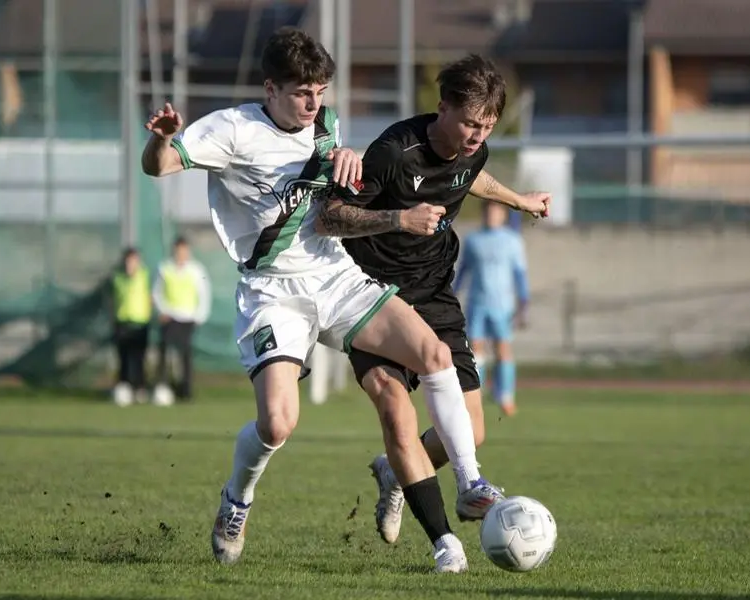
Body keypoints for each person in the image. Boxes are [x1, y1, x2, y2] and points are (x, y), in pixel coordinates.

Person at [140, 27, 498, 573]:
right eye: (303, 93)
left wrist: (344, 155)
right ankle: (237, 500)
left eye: (321, 92)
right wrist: (163, 137)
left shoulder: (324, 124)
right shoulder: (232, 128)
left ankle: (470, 483)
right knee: (279, 423)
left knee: (434, 355)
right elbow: (158, 167)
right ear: (270, 90)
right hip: (272, 291)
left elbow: (329, 177)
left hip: (333, 275)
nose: (314, 104)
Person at [316, 54, 550, 545]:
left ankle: (396, 472)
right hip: (375, 296)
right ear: (442, 108)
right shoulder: (394, 153)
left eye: (486, 126)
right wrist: (398, 219)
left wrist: (520, 201)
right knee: (395, 408)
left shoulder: (475, 149)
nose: (477, 136)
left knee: (472, 430)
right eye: (469, 123)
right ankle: (442, 535)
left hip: (435, 292)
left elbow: (471, 176)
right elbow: (332, 217)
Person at [453, 201, 530, 417]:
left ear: (503, 215)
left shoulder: (513, 241)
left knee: (503, 349)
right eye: (488, 211)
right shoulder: (473, 240)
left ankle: (505, 396)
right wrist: (452, 294)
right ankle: (475, 396)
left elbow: (520, 275)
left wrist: (524, 303)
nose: (492, 215)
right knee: (475, 351)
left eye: (496, 212)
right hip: (477, 303)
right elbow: (463, 271)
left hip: (503, 305)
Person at [152, 235, 212, 403]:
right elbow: (157, 293)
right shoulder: (164, 268)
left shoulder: (196, 270)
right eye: (178, 251)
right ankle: (162, 386)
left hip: (188, 318)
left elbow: (204, 294)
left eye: (184, 251)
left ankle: (185, 390)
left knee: (185, 355)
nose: (181, 254)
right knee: (164, 353)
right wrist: (162, 311)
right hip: (169, 317)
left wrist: (199, 316)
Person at [109, 247, 152, 407]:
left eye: (134, 261)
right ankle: (123, 388)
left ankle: (140, 388)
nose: (131, 265)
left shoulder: (144, 275)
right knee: (123, 357)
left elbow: (150, 296)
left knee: (139, 357)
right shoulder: (117, 277)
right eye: (129, 261)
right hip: (122, 322)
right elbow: (112, 299)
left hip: (141, 322)